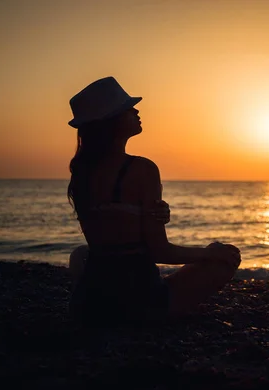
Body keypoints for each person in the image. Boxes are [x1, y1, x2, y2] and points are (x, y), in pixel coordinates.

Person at [66, 76, 241, 326]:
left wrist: (143, 215)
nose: (136, 110)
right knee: (228, 255)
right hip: (138, 302)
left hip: (89, 303)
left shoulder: (82, 174)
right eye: (127, 108)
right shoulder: (142, 169)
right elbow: (160, 251)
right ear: (111, 121)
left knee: (81, 253)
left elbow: (110, 233)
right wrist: (208, 253)